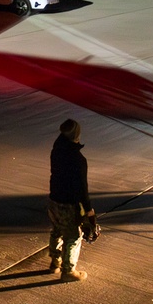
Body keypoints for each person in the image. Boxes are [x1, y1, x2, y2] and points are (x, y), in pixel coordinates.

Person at [47, 118, 98, 282]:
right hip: (68, 203)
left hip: (54, 198)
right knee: (73, 236)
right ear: (77, 134)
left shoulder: (56, 150)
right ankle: (68, 271)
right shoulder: (78, 159)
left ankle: (55, 262)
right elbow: (82, 188)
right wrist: (89, 210)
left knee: (57, 230)